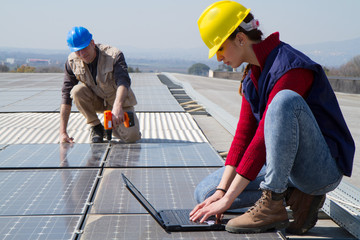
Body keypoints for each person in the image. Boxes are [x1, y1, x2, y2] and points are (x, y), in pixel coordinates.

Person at [190, 1, 355, 235]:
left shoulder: (291, 68)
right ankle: (293, 193)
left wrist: (229, 200)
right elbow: (244, 136)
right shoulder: (252, 75)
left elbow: (259, 142)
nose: (218, 58)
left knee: (283, 101)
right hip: (284, 166)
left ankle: (272, 203)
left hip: (320, 168)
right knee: (206, 194)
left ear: (240, 38)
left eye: (220, 48)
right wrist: (221, 191)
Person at [59, 26, 141, 144]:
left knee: (131, 137)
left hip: (118, 101)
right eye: (77, 51)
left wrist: (117, 107)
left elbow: (123, 81)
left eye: (84, 48)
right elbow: (66, 95)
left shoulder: (113, 55)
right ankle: (96, 127)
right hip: (97, 100)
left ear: (92, 43)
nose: (82, 54)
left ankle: (111, 127)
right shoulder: (72, 62)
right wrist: (62, 132)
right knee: (76, 91)